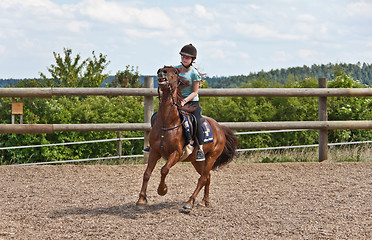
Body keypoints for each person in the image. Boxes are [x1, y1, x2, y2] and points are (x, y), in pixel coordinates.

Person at [143, 44, 205, 161]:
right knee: (157, 117)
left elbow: (195, 92)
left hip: (191, 102)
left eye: (187, 58)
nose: (184, 59)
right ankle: (153, 143)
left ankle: (200, 149)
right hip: (176, 101)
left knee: (197, 121)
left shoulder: (194, 74)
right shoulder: (176, 70)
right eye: (183, 57)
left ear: (192, 60)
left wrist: (185, 100)